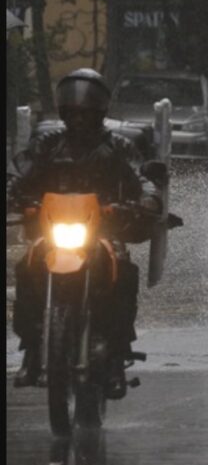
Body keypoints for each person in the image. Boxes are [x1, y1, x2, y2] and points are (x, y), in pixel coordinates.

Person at [8, 68, 161, 399]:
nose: (79, 119)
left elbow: (141, 176)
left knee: (123, 269)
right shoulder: (48, 143)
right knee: (27, 266)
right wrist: (14, 193)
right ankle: (32, 349)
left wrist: (146, 198)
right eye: (73, 112)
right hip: (54, 232)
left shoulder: (118, 146)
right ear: (63, 111)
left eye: (86, 112)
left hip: (102, 230)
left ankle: (117, 355)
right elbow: (22, 172)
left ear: (99, 112)